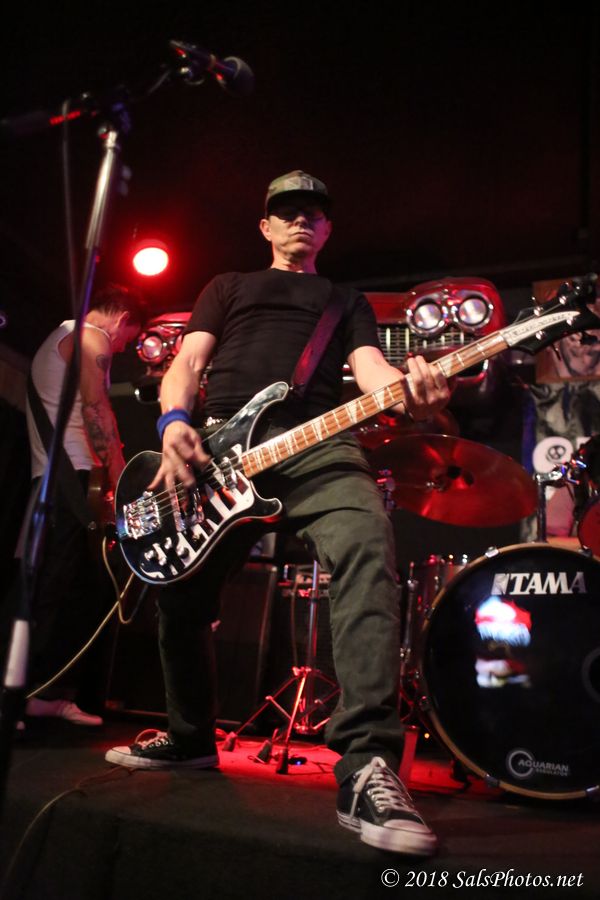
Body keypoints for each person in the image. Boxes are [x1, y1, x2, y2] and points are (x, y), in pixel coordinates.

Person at [105, 171, 450, 857]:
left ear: (328, 230)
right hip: (220, 448)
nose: (301, 220)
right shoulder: (229, 286)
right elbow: (188, 363)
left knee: (365, 541)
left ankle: (367, 765)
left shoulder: (343, 300)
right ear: (265, 225)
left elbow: (371, 370)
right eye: (286, 211)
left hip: (317, 444)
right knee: (179, 589)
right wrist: (174, 421)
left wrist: (408, 391)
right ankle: (191, 736)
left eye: (313, 213)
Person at [14, 284, 145, 726]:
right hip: (70, 479)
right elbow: (96, 407)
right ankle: (22, 696)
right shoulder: (92, 336)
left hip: (57, 478)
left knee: (63, 587)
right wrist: (122, 477)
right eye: (128, 339)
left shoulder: (62, 335)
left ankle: (36, 694)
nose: (121, 348)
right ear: (122, 318)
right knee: (58, 588)